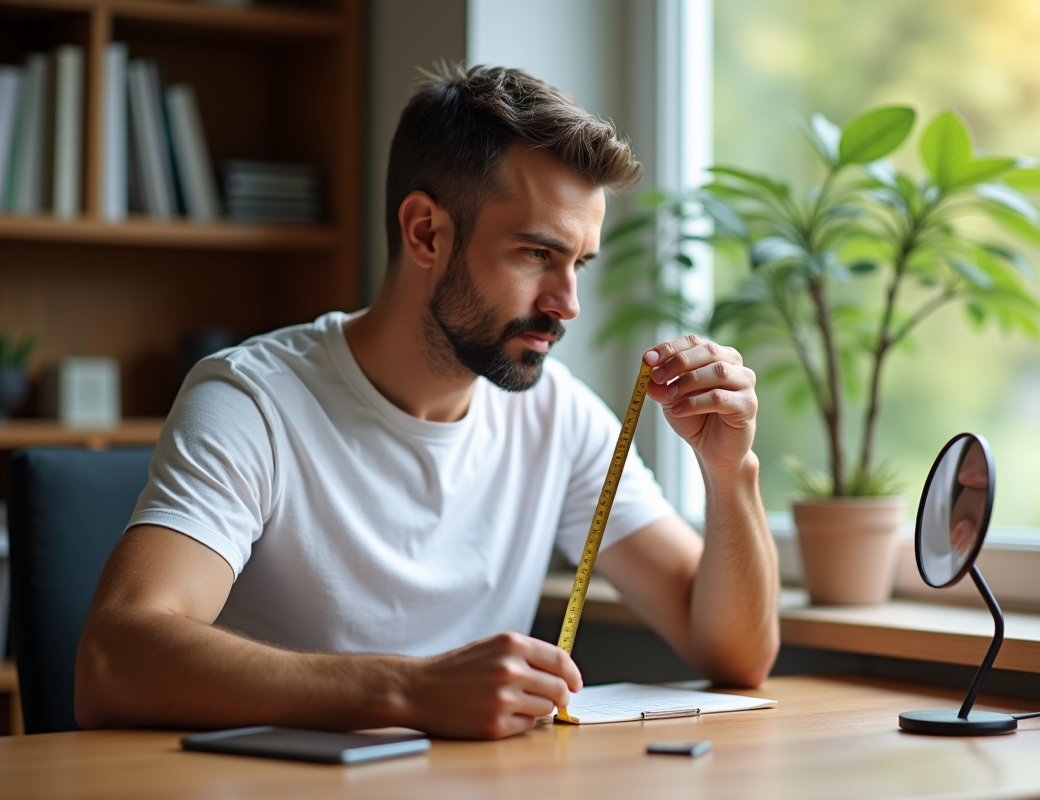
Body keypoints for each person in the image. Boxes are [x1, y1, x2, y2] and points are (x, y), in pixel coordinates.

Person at [74, 64, 779, 740]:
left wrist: (729, 474)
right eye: (537, 254)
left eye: (579, 263)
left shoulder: (558, 415)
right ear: (425, 233)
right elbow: (113, 661)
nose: (567, 305)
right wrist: (409, 691)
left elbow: (734, 654)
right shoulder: (252, 400)